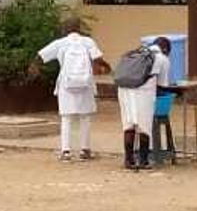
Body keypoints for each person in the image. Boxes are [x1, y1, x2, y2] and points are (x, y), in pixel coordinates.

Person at [37, 17, 112, 162]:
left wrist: (35, 68)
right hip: (86, 84)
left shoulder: (60, 43)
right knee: (85, 117)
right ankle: (85, 150)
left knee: (66, 118)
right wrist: (107, 66)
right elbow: (97, 59)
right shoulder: (88, 42)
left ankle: (66, 151)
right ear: (79, 28)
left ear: (65, 29)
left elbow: (41, 56)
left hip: (66, 85)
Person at [116, 36, 173, 171]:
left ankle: (129, 160)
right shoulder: (162, 58)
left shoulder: (137, 53)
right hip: (143, 92)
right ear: (165, 49)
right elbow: (162, 84)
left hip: (124, 90)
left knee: (128, 124)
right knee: (144, 126)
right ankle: (143, 160)